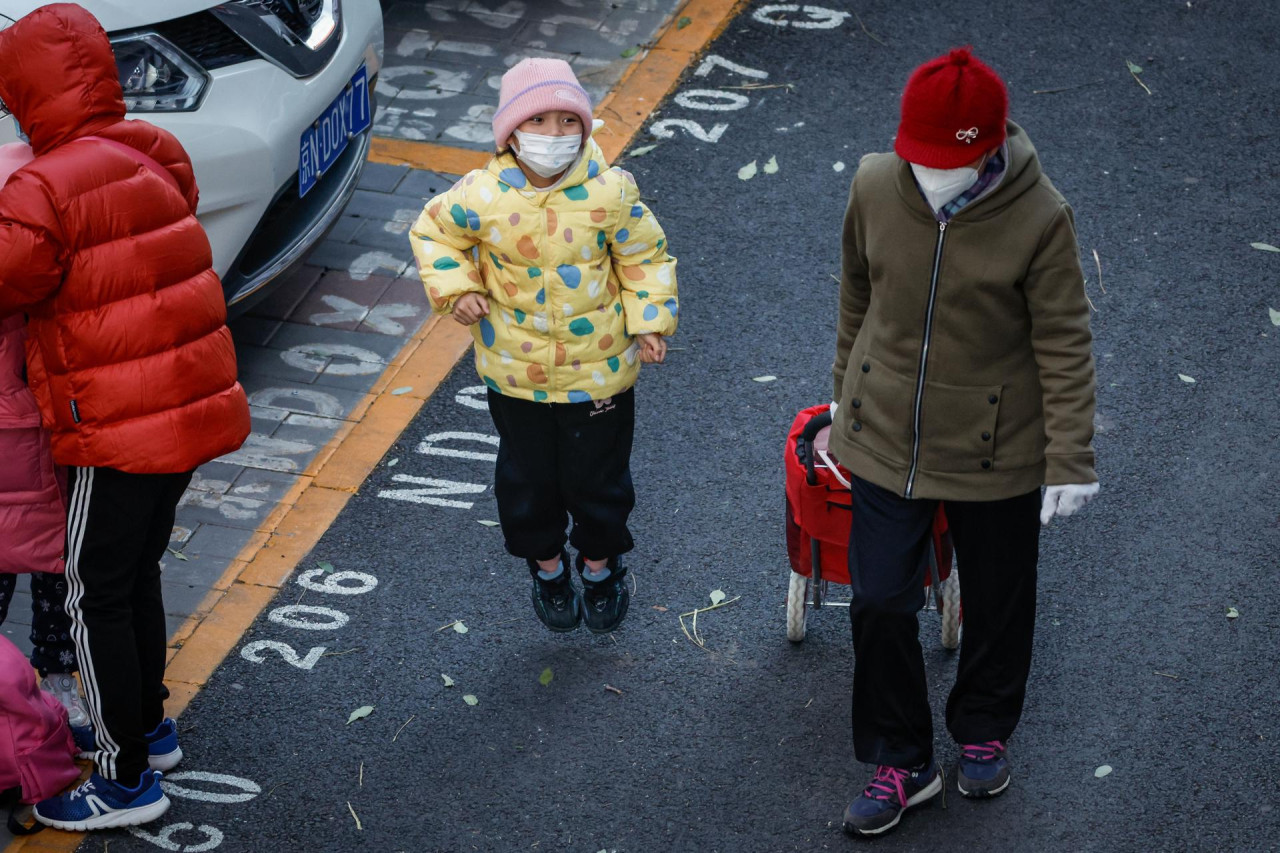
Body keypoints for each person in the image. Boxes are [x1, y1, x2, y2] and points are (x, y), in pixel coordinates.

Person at [829, 47, 1098, 836]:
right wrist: (845, 396)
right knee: (878, 599)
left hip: (999, 447)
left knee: (999, 599)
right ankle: (903, 758)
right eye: (920, 158)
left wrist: (1070, 455)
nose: (929, 174)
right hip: (884, 435)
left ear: (987, 147)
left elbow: (1064, 339)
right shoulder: (876, 184)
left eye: (949, 161)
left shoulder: (1041, 214)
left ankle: (982, 725)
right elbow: (856, 293)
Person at [0, 4, 250, 831]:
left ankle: (124, 777)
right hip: (186, 409)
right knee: (135, 573)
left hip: (113, 425)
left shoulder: (42, 182)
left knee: (89, 594)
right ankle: (149, 725)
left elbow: (14, 278)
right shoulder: (152, 146)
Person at [410, 58, 678, 635]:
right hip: (514, 375)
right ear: (509, 134)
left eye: (567, 122)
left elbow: (644, 257)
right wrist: (456, 289)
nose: (555, 137)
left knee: (599, 480)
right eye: (539, 123)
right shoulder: (480, 196)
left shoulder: (611, 191)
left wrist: (649, 319)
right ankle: (549, 568)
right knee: (527, 482)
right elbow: (434, 235)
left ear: (585, 128)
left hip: (601, 371)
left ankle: (601, 568)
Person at [0, 141, 89, 734]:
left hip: (51, 421)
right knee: (43, 555)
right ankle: (51, 674)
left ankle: (56, 672)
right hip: (21, 430)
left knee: (57, 556)